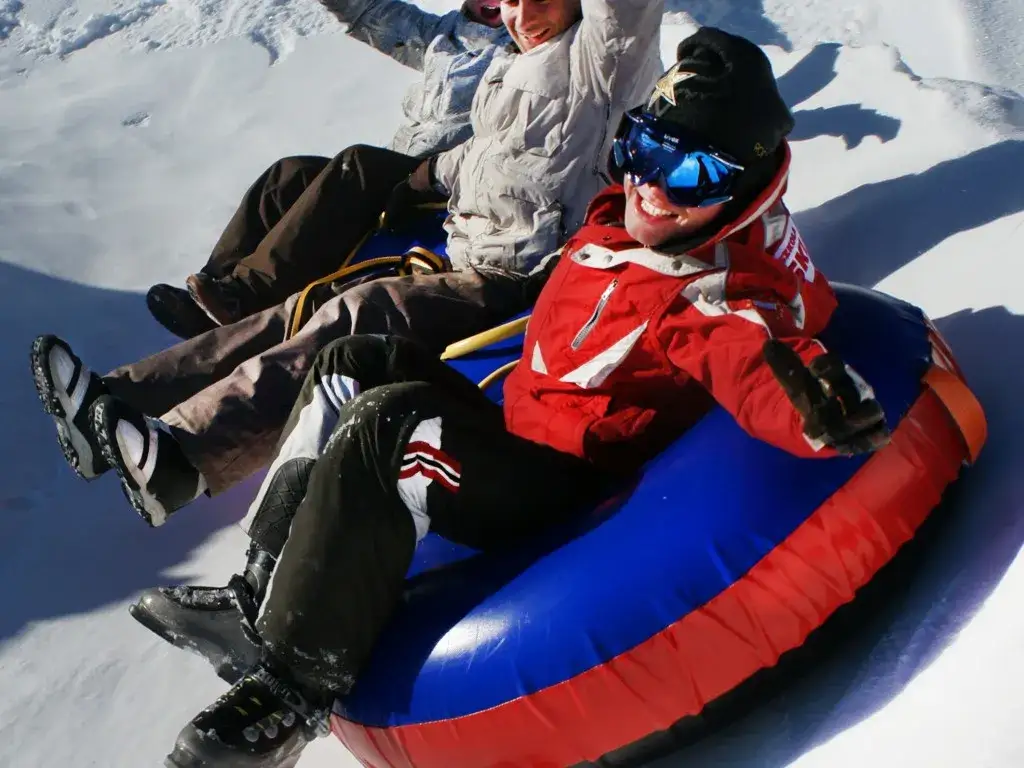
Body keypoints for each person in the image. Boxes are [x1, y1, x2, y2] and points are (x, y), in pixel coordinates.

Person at [141, 28, 890, 768]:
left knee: (387, 424)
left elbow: (754, 351)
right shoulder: (639, 222)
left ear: (744, 186)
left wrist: (816, 408)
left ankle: (290, 693)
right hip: (522, 427)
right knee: (355, 360)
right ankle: (259, 592)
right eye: (644, 149)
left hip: (565, 484)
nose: (651, 187)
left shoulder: (710, 286)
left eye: (688, 174)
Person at [31, 0, 665, 527]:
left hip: (515, 279)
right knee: (297, 311)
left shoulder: (600, 63)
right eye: (513, 0)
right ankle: (115, 404)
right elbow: (485, 158)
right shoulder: (511, 68)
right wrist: (420, 175)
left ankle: (184, 458)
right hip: (455, 257)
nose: (524, 14)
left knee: (358, 314)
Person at [148, 0, 513, 339]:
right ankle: (216, 289)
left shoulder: (522, 51)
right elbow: (374, 12)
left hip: (448, 175)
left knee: (358, 164)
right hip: (404, 164)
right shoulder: (446, 35)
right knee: (290, 174)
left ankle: (248, 294)